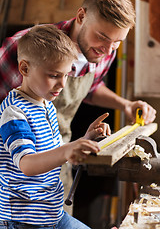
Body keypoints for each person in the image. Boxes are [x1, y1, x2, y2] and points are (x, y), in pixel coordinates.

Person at [0, 0, 156, 227]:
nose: (108, 49)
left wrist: (125, 105)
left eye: (117, 42)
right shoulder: (24, 50)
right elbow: (24, 155)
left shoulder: (104, 51)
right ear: (81, 16)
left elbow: (90, 88)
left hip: (56, 168)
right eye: (102, 37)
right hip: (16, 182)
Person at [0, 24, 111, 228]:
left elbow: (54, 153)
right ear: (25, 68)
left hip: (51, 213)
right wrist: (68, 150)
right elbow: (27, 165)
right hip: (24, 220)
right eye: (53, 75)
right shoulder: (14, 113)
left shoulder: (47, 107)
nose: (62, 84)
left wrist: (85, 140)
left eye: (66, 75)